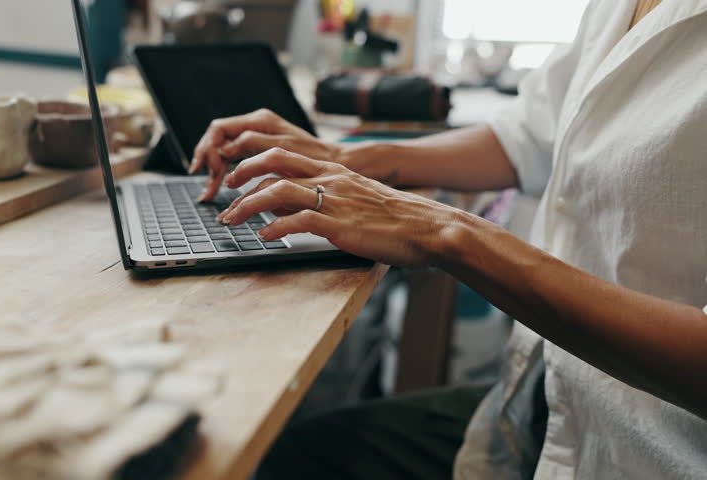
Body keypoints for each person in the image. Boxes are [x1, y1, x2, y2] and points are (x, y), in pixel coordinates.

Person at [190, 0, 707, 478]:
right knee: (298, 452)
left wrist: (447, 232)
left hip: (648, 447)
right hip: (547, 391)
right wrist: (350, 159)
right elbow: (530, 134)